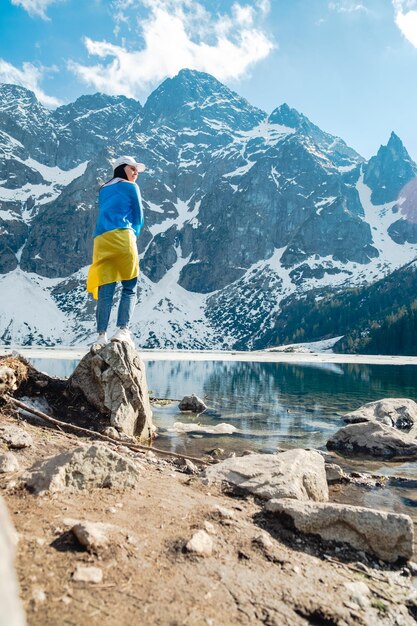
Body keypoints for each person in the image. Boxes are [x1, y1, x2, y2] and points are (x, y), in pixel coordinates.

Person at [87, 155, 145, 349]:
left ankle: (101, 336)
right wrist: (133, 234)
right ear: (121, 168)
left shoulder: (103, 189)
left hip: (101, 241)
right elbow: (138, 216)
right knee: (129, 286)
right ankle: (123, 331)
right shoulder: (131, 187)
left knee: (106, 289)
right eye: (132, 168)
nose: (136, 172)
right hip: (122, 237)